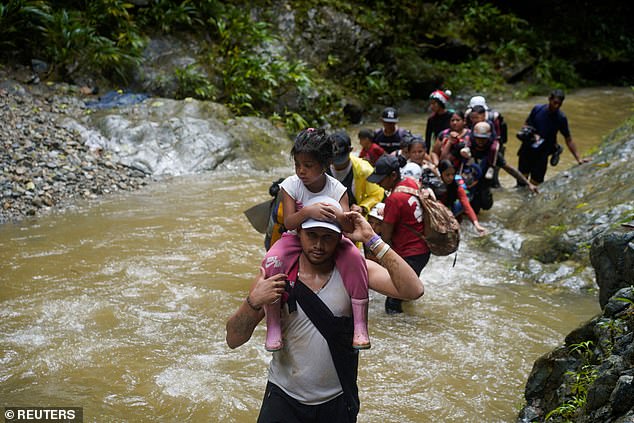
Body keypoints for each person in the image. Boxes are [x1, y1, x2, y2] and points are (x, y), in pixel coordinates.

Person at [226, 207, 424, 423]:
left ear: (340, 237)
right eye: (312, 235)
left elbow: (413, 290)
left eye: (328, 237)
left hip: (337, 401)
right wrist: (253, 302)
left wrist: (371, 238)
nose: (319, 245)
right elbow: (234, 339)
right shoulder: (275, 275)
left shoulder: (356, 272)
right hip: (284, 398)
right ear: (299, 232)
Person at [262, 128, 370, 352]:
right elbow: (290, 222)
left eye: (308, 165)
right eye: (297, 164)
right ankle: (273, 325)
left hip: (333, 237)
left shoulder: (337, 189)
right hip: (296, 237)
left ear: (325, 164)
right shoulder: (291, 185)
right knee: (272, 260)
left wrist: (339, 216)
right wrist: (308, 212)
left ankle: (360, 325)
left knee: (356, 259)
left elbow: (348, 227)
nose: (301, 171)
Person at [367, 155, 431, 314]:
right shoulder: (410, 183)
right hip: (423, 250)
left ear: (393, 175)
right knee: (407, 290)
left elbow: (386, 237)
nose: (379, 184)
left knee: (392, 301)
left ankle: (407, 330)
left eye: (382, 179)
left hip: (409, 253)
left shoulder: (394, 199)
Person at [518, 89, 590, 185]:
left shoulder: (561, 118)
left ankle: (556, 149)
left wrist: (578, 158)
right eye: (555, 102)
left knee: (536, 184)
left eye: (559, 104)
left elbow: (568, 139)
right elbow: (526, 125)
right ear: (549, 99)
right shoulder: (537, 109)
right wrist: (531, 134)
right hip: (527, 149)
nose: (556, 106)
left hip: (542, 154)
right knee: (521, 182)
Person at [469, 121, 539, 214]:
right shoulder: (466, 149)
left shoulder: (493, 153)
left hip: (483, 185)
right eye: (478, 138)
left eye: (483, 139)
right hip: (468, 183)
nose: (480, 142)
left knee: (485, 205)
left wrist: (528, 183)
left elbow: (509, 169)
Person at [328, 131, 385, 216]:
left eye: (340, 159)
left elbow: (377, 194)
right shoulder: (320, 167)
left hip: (353, 214)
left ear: (351, 150)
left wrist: (363, 207)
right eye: (334, 159)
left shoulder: (364, 170)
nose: (337, 164)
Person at [436, 160, 487, 235]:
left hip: (451, 207)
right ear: (440, 174)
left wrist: (476, 225)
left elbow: (466, 204)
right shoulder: (434, 185)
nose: (451, 177)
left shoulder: (456, 186)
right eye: (447, 175)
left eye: (452, 174)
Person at [425, 89, 452, 154]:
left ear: (441, 103)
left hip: (451, 147)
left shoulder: (452, 117)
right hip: (438, 148)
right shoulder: (431, 119)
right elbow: (428, 140)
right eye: (431, 103)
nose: (431, 106)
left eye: (434, 103)